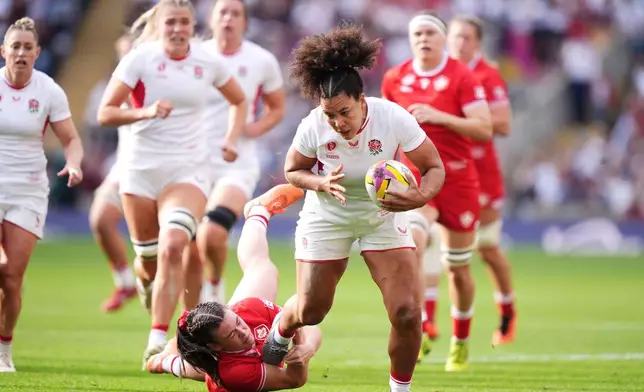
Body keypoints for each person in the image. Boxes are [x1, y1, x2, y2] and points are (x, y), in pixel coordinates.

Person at [261, 25, 446, 392]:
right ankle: (282, 327)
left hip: (381, 217)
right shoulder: (314, 125)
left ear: (362, 100)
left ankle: (400, 390)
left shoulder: (393, 117)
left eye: (343, 112)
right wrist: (319, 183)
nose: (337, 123)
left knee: (408, 313)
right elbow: (292, 170)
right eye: (330, 115)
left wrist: (421, 197)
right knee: (312, 311)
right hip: (327, 216)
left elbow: (434, 167)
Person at [96, 0, 248, 364]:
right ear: (159, 26)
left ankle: (159, 337)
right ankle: (146, 281)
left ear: (193, 25)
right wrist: (146, 111)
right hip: (140, 172)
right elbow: (106, 113)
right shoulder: (139, 59)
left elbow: (239, 101)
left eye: (184, 22)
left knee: (174, 243)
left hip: (189, 171)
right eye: (171, 23)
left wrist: (231, 138)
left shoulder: (207, 62)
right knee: (149, 260)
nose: (178, 29)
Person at [381, 11, 492, 371]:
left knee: (457, 268)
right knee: (412, 245)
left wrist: (439, 117)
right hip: (415, 179)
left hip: (458, 180)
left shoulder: (462, 76)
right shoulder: (395, 78)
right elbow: (384, 132)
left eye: (430, 32)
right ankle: (419, 324)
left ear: (443, 39)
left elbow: (484, 129)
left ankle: (460, 339)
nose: (423, 39)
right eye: (417, 33)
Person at [145, 184, 322, 392]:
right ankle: (164, 361)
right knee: (197, 368)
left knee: (263, 270)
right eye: (233, 334)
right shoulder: (235, 373)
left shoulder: (246, 312)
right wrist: (299, 357)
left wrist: (305, 343)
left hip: (215, 345)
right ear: (217, 346)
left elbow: (303, 317)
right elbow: (294, 380)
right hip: (224, 367)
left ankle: (258, 211)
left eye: (237, 322)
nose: (244, 331)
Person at [0, 17, 84, 372]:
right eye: (14, 46)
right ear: (4, 51)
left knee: (11, 277)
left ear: (38, 53)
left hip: (29, 191)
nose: (20, 53)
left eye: (27, 47)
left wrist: (75, 164)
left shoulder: (48, 90)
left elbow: (71, 140)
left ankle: (3, 350)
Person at [195, 0, 286, 304]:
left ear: (245, 22)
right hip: (191, 161)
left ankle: (215, 285)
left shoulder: (261, 60)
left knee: (212, 234)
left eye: (236, 13)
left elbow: (277, 108)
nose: (228, 18)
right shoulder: (195, 56)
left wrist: (253, 129)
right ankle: (188, 323)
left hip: (238, 161)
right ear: (211, 19)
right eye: (223, 12)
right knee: (187, 246)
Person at [447, 15, 516, 345]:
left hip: (481, 173)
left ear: (478, 43)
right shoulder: (440, 73)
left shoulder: (487, 75)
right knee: (438, 248)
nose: (459, 43)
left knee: (487, 248)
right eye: (455, 37)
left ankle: (507, 313)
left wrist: (454, 117)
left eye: (466, 38)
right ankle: (429, 322)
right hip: (447, 172)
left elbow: (503, 124)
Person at [88, 33, 138, 313]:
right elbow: (99, 123)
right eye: (124, 56)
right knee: (100, 219)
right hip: (124, 167)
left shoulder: (164, 82)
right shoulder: (115, 89)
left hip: (164, 171)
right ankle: (124, 281)